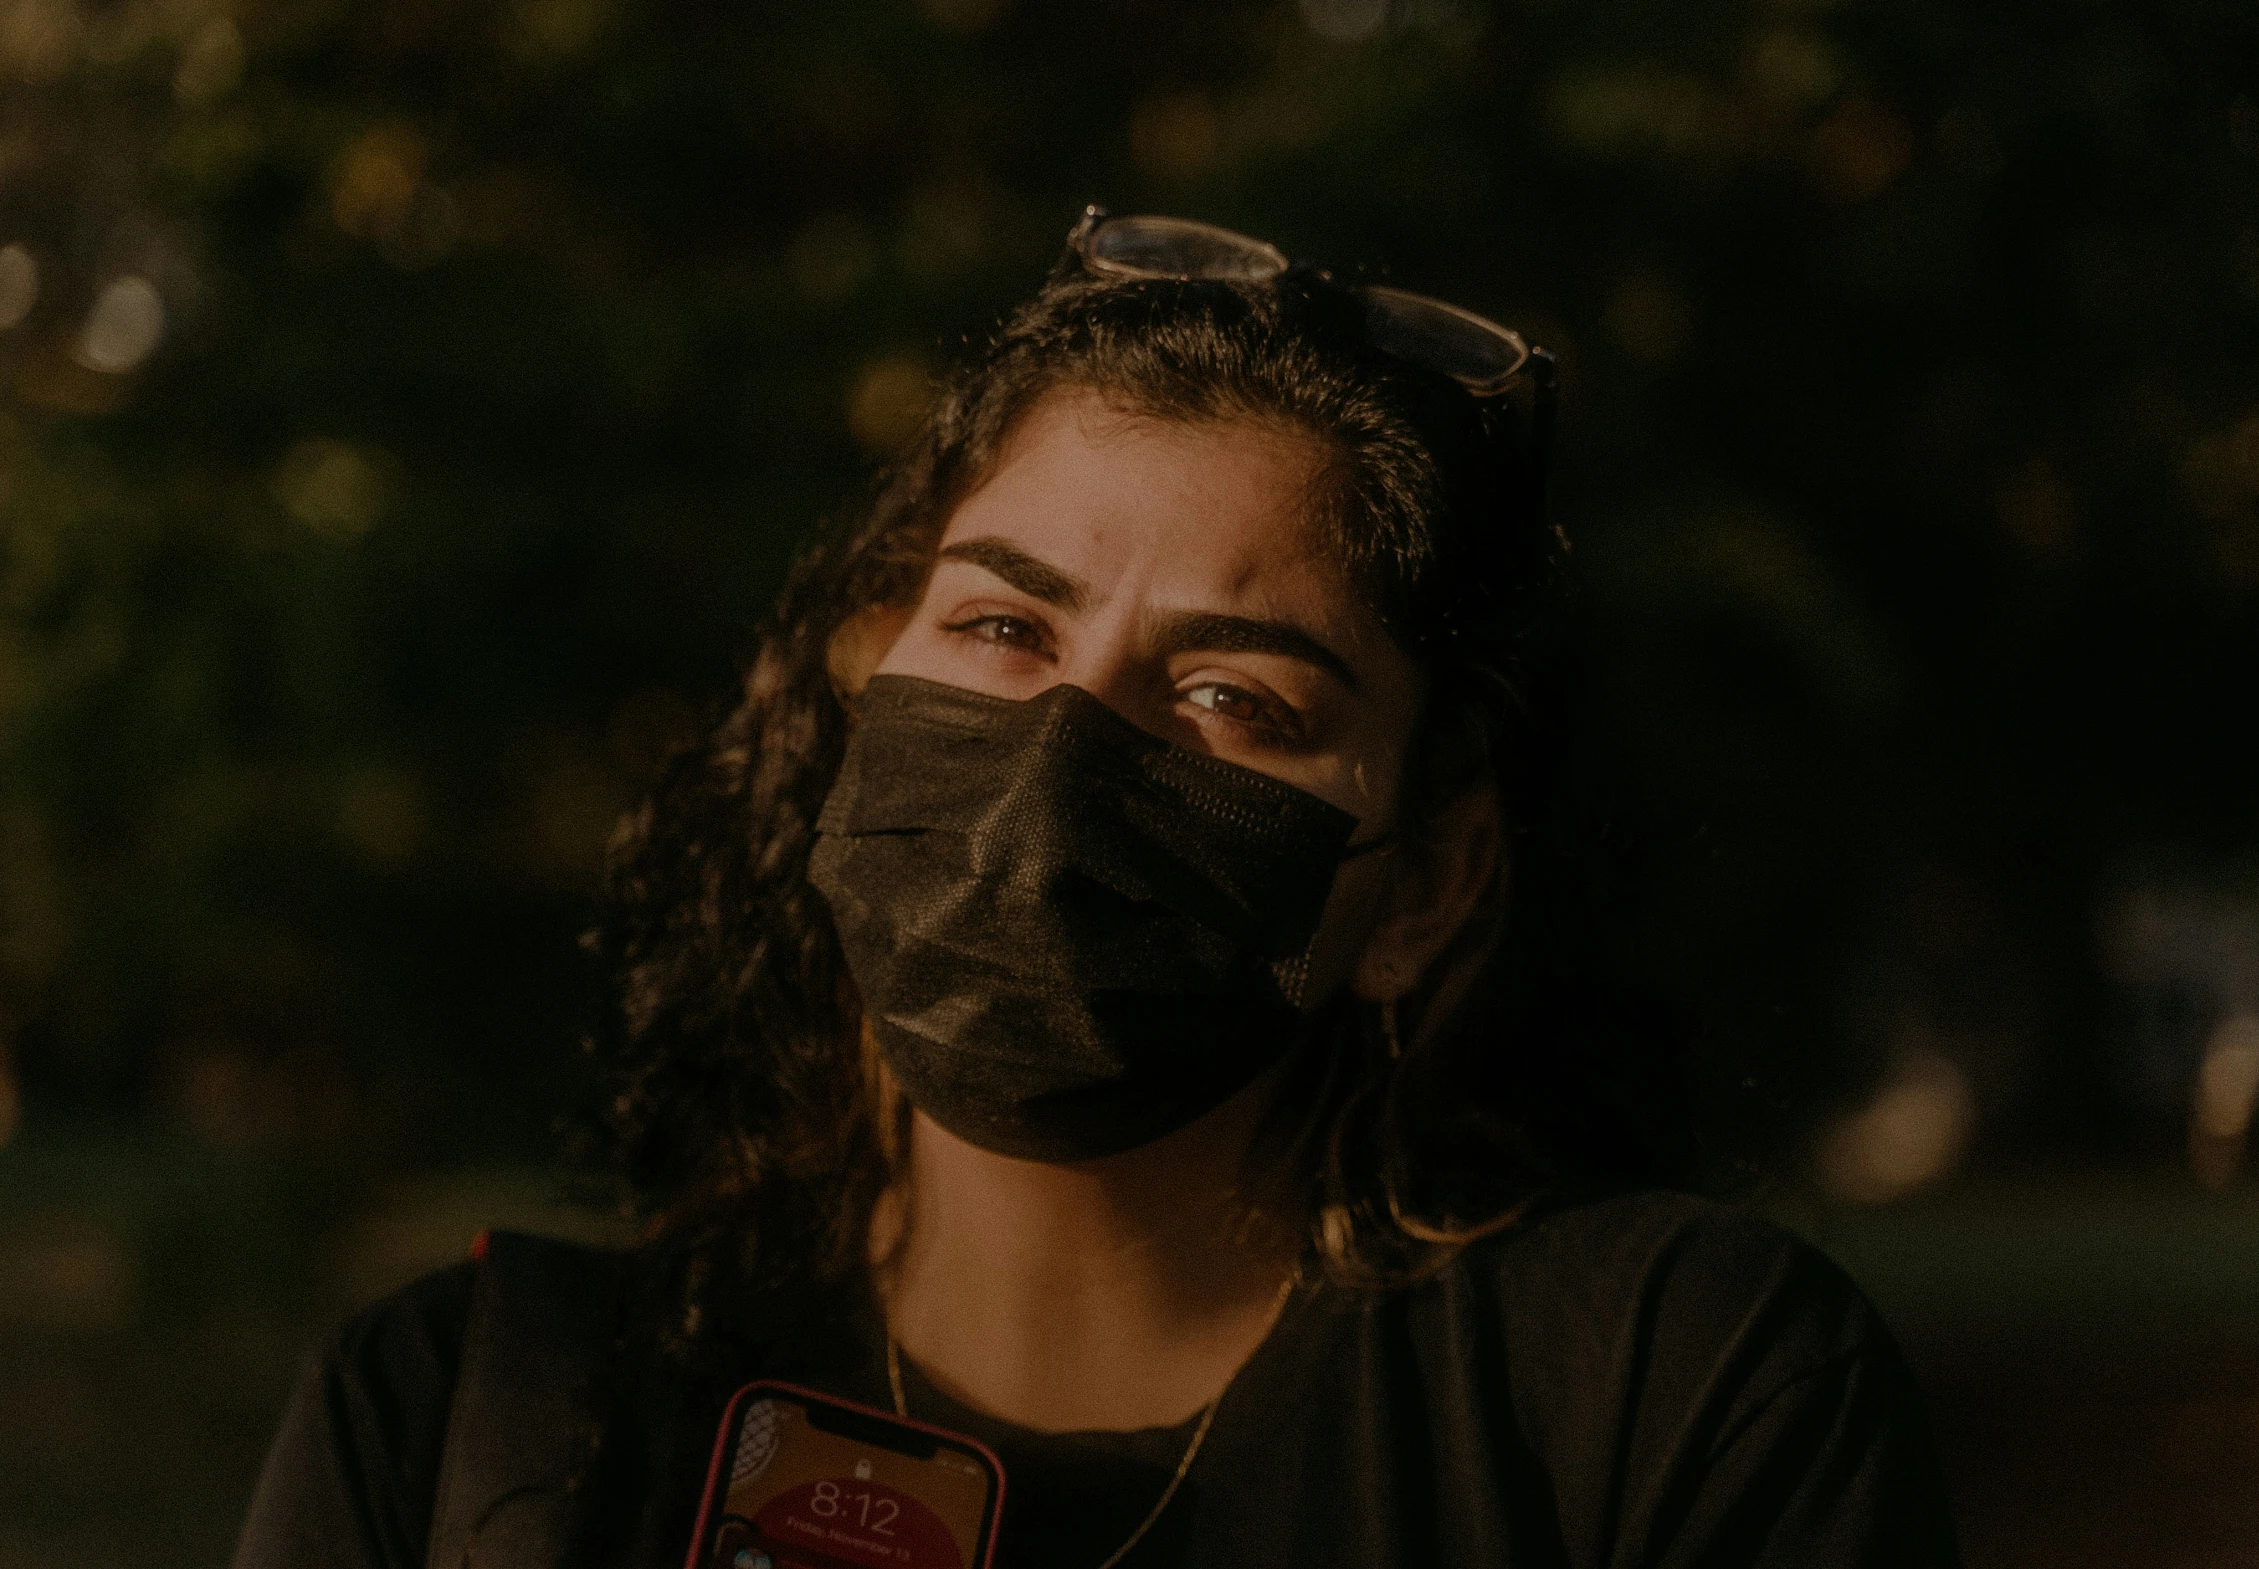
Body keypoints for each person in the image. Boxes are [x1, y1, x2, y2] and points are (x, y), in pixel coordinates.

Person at [233, 208, 1962, 1569]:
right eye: (1003, 624)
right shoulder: (465, 1429)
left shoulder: (1670, 1405)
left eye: (1238, 698)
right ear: (858, 690)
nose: (1067, 745)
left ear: (1429, 883)